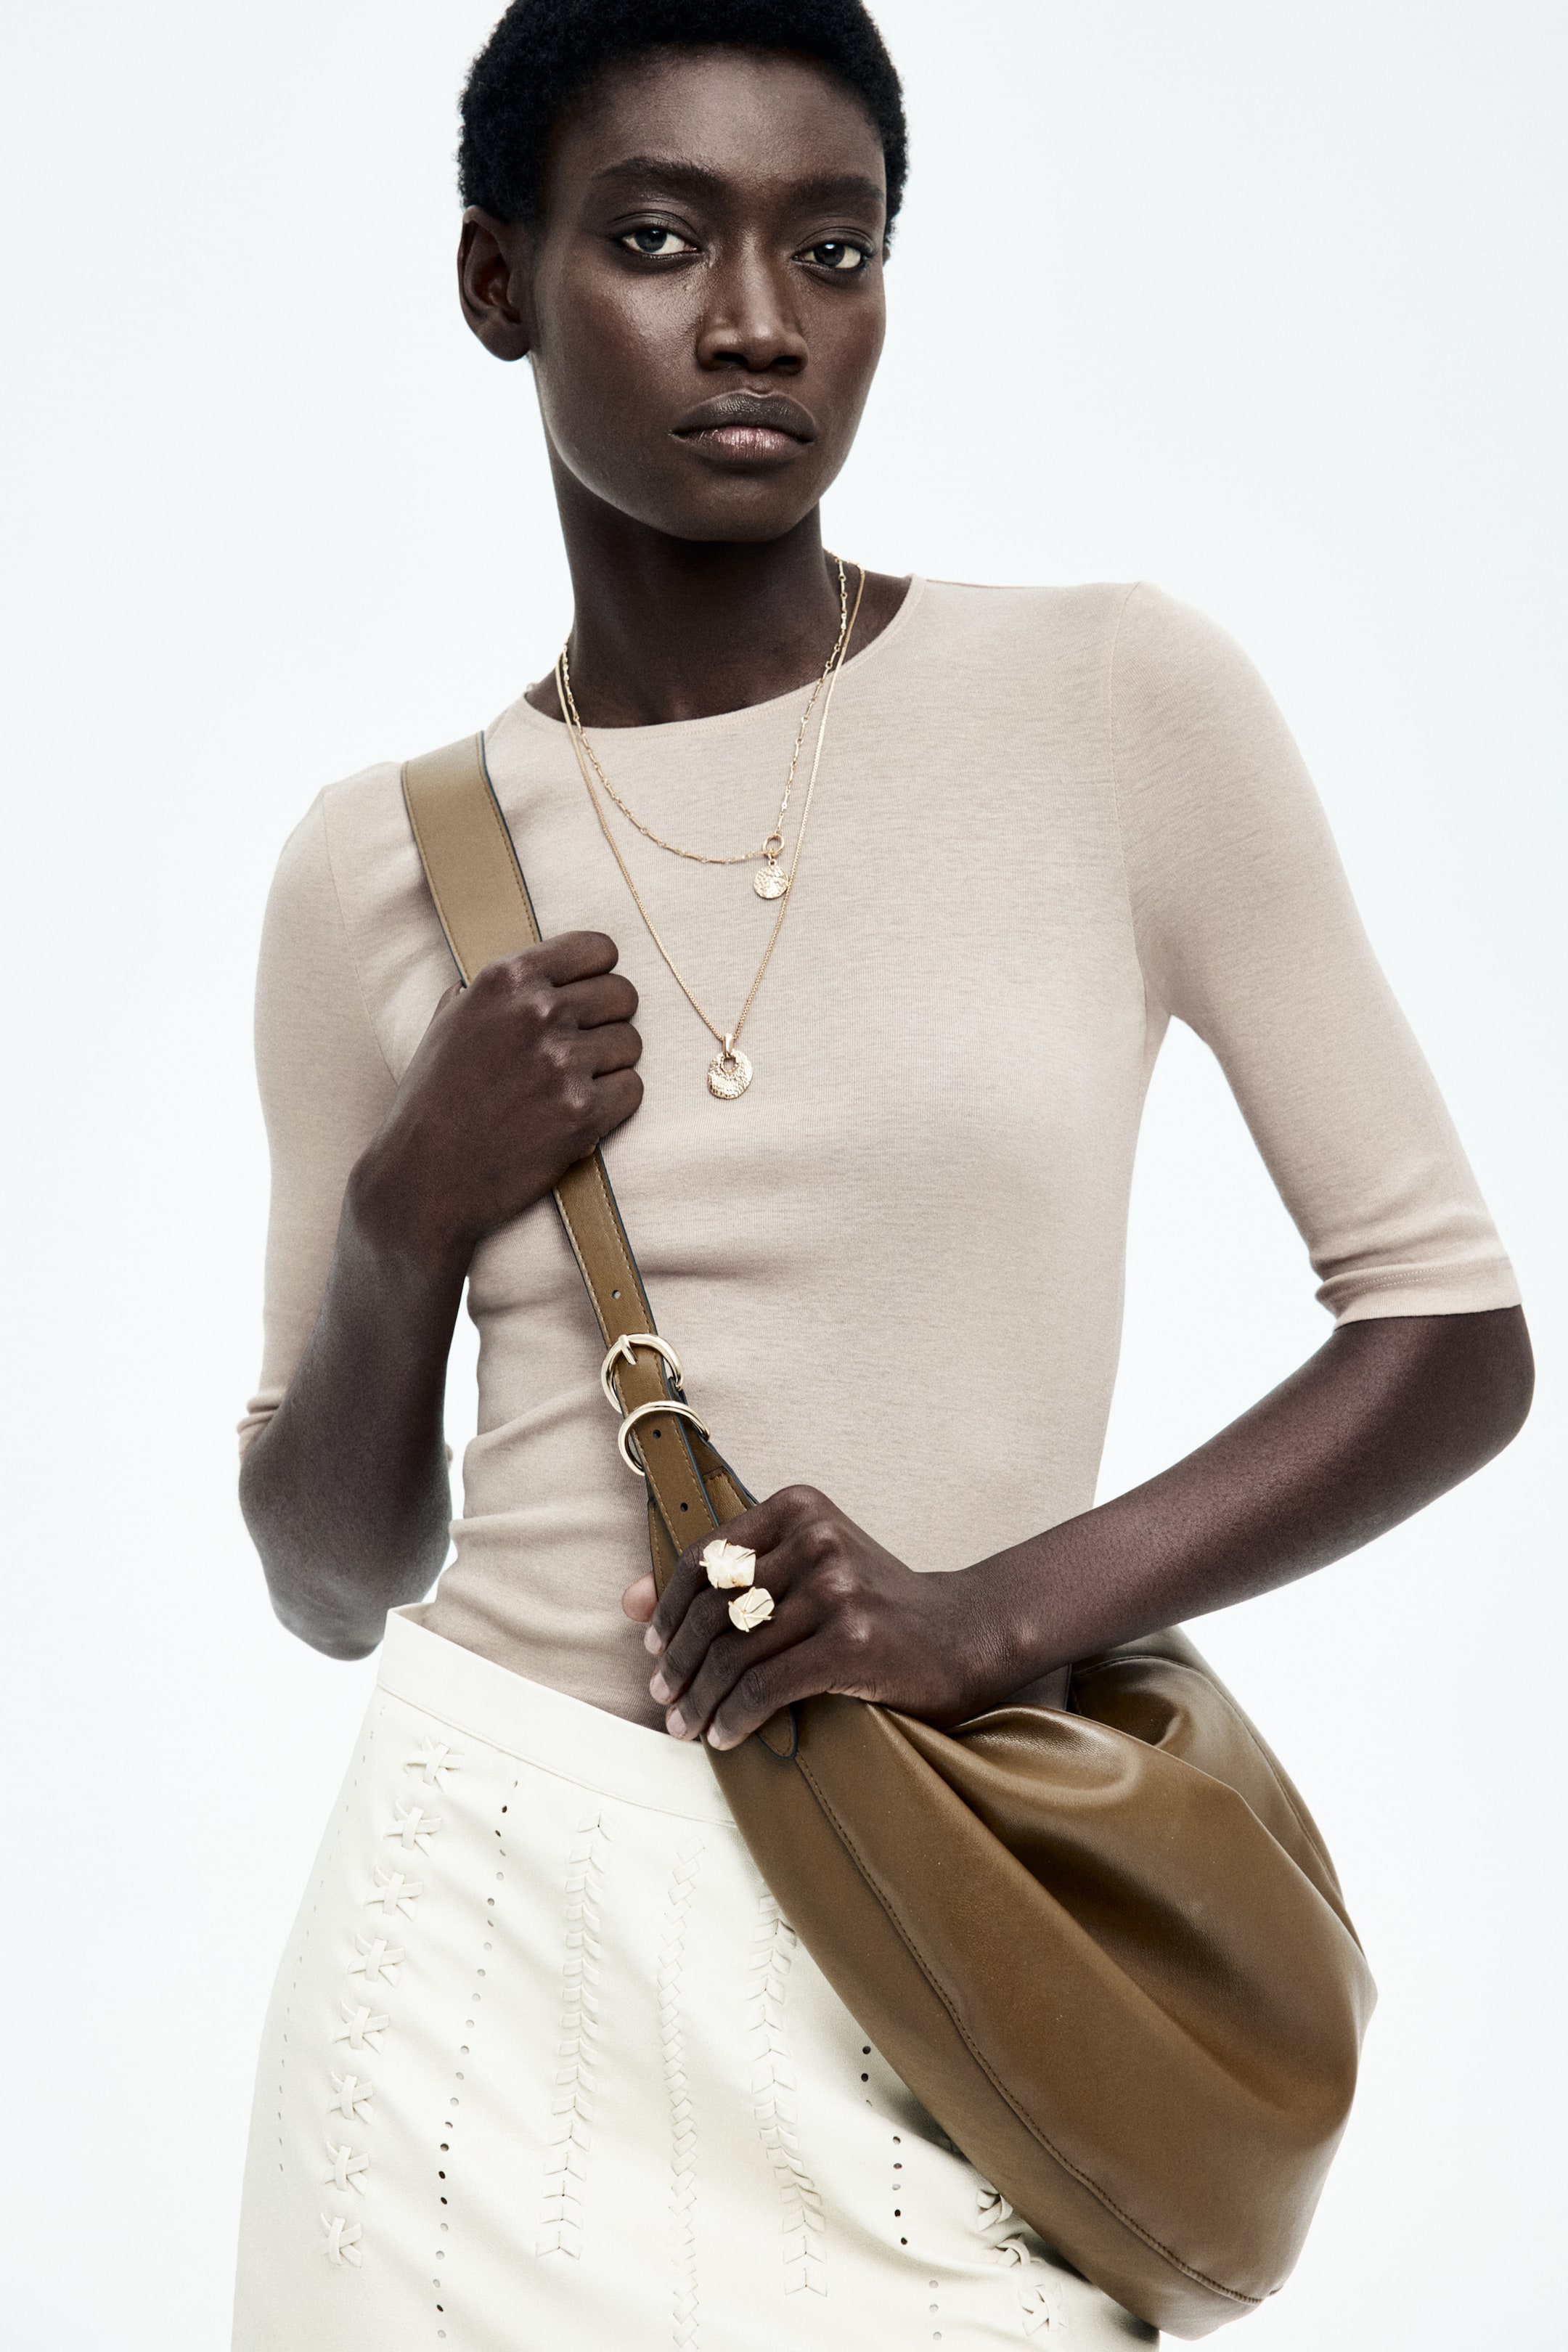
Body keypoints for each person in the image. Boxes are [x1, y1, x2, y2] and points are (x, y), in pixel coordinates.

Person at [231, 3, 1532, 2344]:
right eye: (658, 240)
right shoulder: (375, 870)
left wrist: (987, 1620)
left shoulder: (1119, 701)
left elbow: (1451, 1338)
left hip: (956, 1938)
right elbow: (328, 1578)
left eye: (832, 250)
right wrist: (403, 1218)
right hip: (482, 1968)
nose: (759, 322)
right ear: (498, 280)